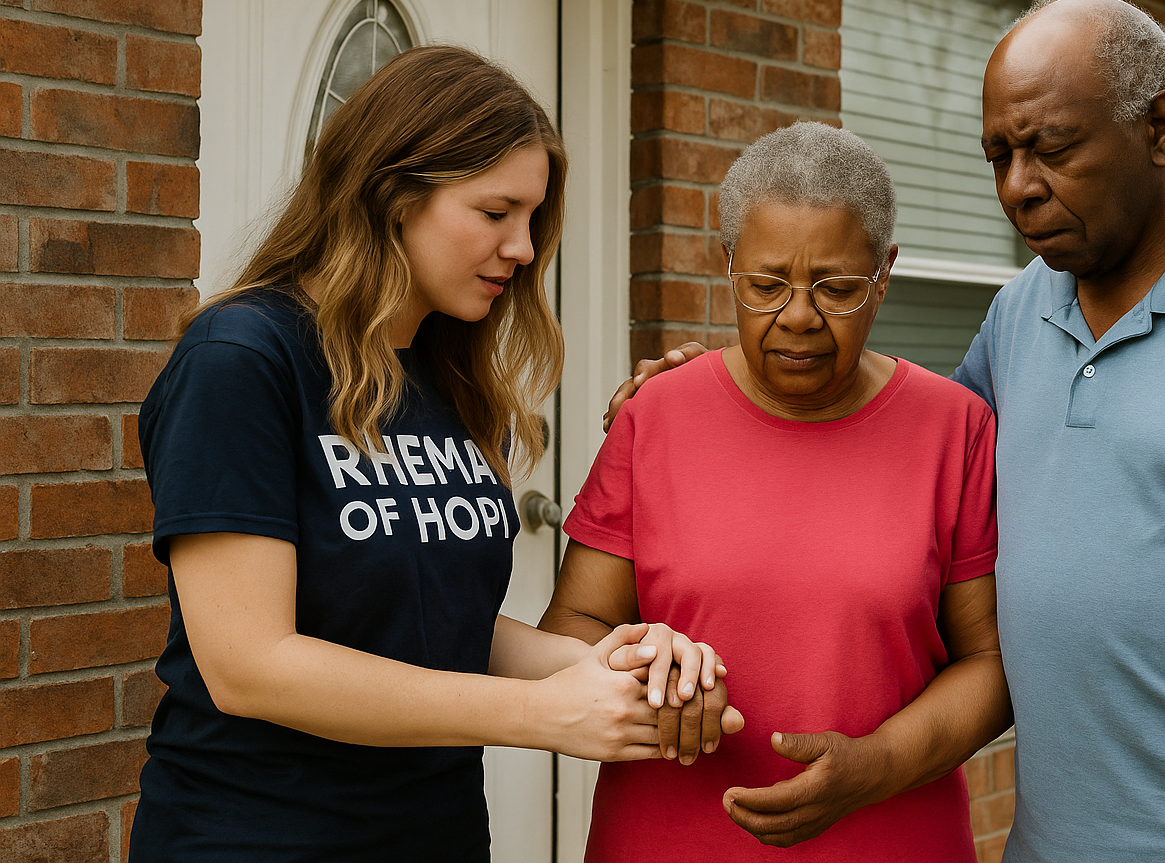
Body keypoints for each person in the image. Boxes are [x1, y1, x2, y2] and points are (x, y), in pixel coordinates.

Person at [610, 0, 1165, 863]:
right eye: (999, 156)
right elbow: (893, 438)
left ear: (1160, 128)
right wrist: (717, 386)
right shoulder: (1022, 312)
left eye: (1050, 148)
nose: (1018, 187)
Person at [129, 45, 734, 863]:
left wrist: (611, 658)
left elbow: (434, 625)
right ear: (392, 197)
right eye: (496, 213)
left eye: (532, 219)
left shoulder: (441, 375)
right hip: (255, 838)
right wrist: (540, 714)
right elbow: (251, 664)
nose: (523, 249)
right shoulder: (242, 358)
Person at [540, 121, 1012, 860]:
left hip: (890, 838)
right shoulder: (655, 417)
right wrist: (647, 670)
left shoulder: (953, 429)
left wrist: (877, 765)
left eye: (837, 287)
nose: (797, 314)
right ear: (727, 264)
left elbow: (988, 662)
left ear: (884, 273)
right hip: (669, 840)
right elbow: (573, 626)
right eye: (765, 285)